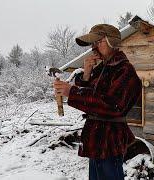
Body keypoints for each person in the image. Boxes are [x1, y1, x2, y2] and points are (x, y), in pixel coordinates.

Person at [53, 24, 142, 180]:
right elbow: (90, 99)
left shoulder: (125, 70)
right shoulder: (103, 69)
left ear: (111, 42)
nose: (94, 47)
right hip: (96, 138)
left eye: (98, 41)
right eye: (93, 43)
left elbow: (111, 105)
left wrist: (71, 91)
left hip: (110, 139)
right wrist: (86, 73)